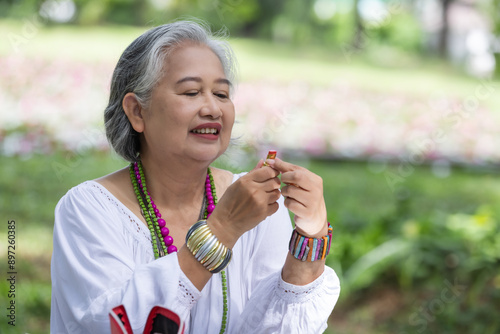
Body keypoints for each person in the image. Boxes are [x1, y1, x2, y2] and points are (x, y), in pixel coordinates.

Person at [50, 20, 340, 334]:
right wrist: (223, 229)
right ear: (137, 112)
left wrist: (312, 234)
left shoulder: (261, 207)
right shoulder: (88, 210)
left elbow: (280, 327)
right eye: (191, 92)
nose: (213, 109)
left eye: (222, 93)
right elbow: (113, 325)